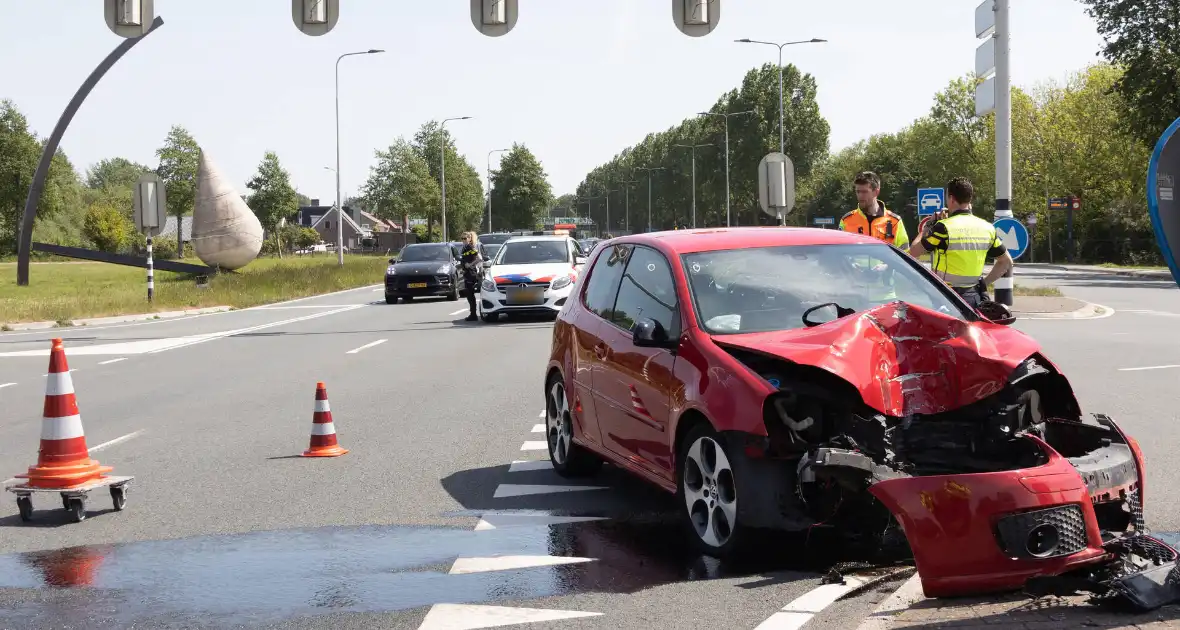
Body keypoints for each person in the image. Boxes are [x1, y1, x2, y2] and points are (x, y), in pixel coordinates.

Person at [908, 177, 1013, 309]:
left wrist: (928, 226)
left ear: (951, 199)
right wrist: (984, 283)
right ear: (969, 199)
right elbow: (1006, 261)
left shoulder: (942, 228)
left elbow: (914, 251)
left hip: (947, 297)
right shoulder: (987, 228)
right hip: (974, 297)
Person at [838, 171, 909, 249]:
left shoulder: (894, 221)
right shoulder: (846, 221)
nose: (860, 196)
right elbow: (839, 252)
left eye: (865, 192)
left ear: (876, 192)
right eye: (858, 192)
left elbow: (904, 254)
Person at [459, 231, 483, 321]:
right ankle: (472, 313)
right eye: (462, 238)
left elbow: (480, 258)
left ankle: (473, 314)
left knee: (470, 294)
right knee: (469, 295)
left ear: (469, 239)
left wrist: (470, 264)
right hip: (466, 273)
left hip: (471, 274)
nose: (463, 240)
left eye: (465, 238)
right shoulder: (465, 247)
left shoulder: (470, 247)